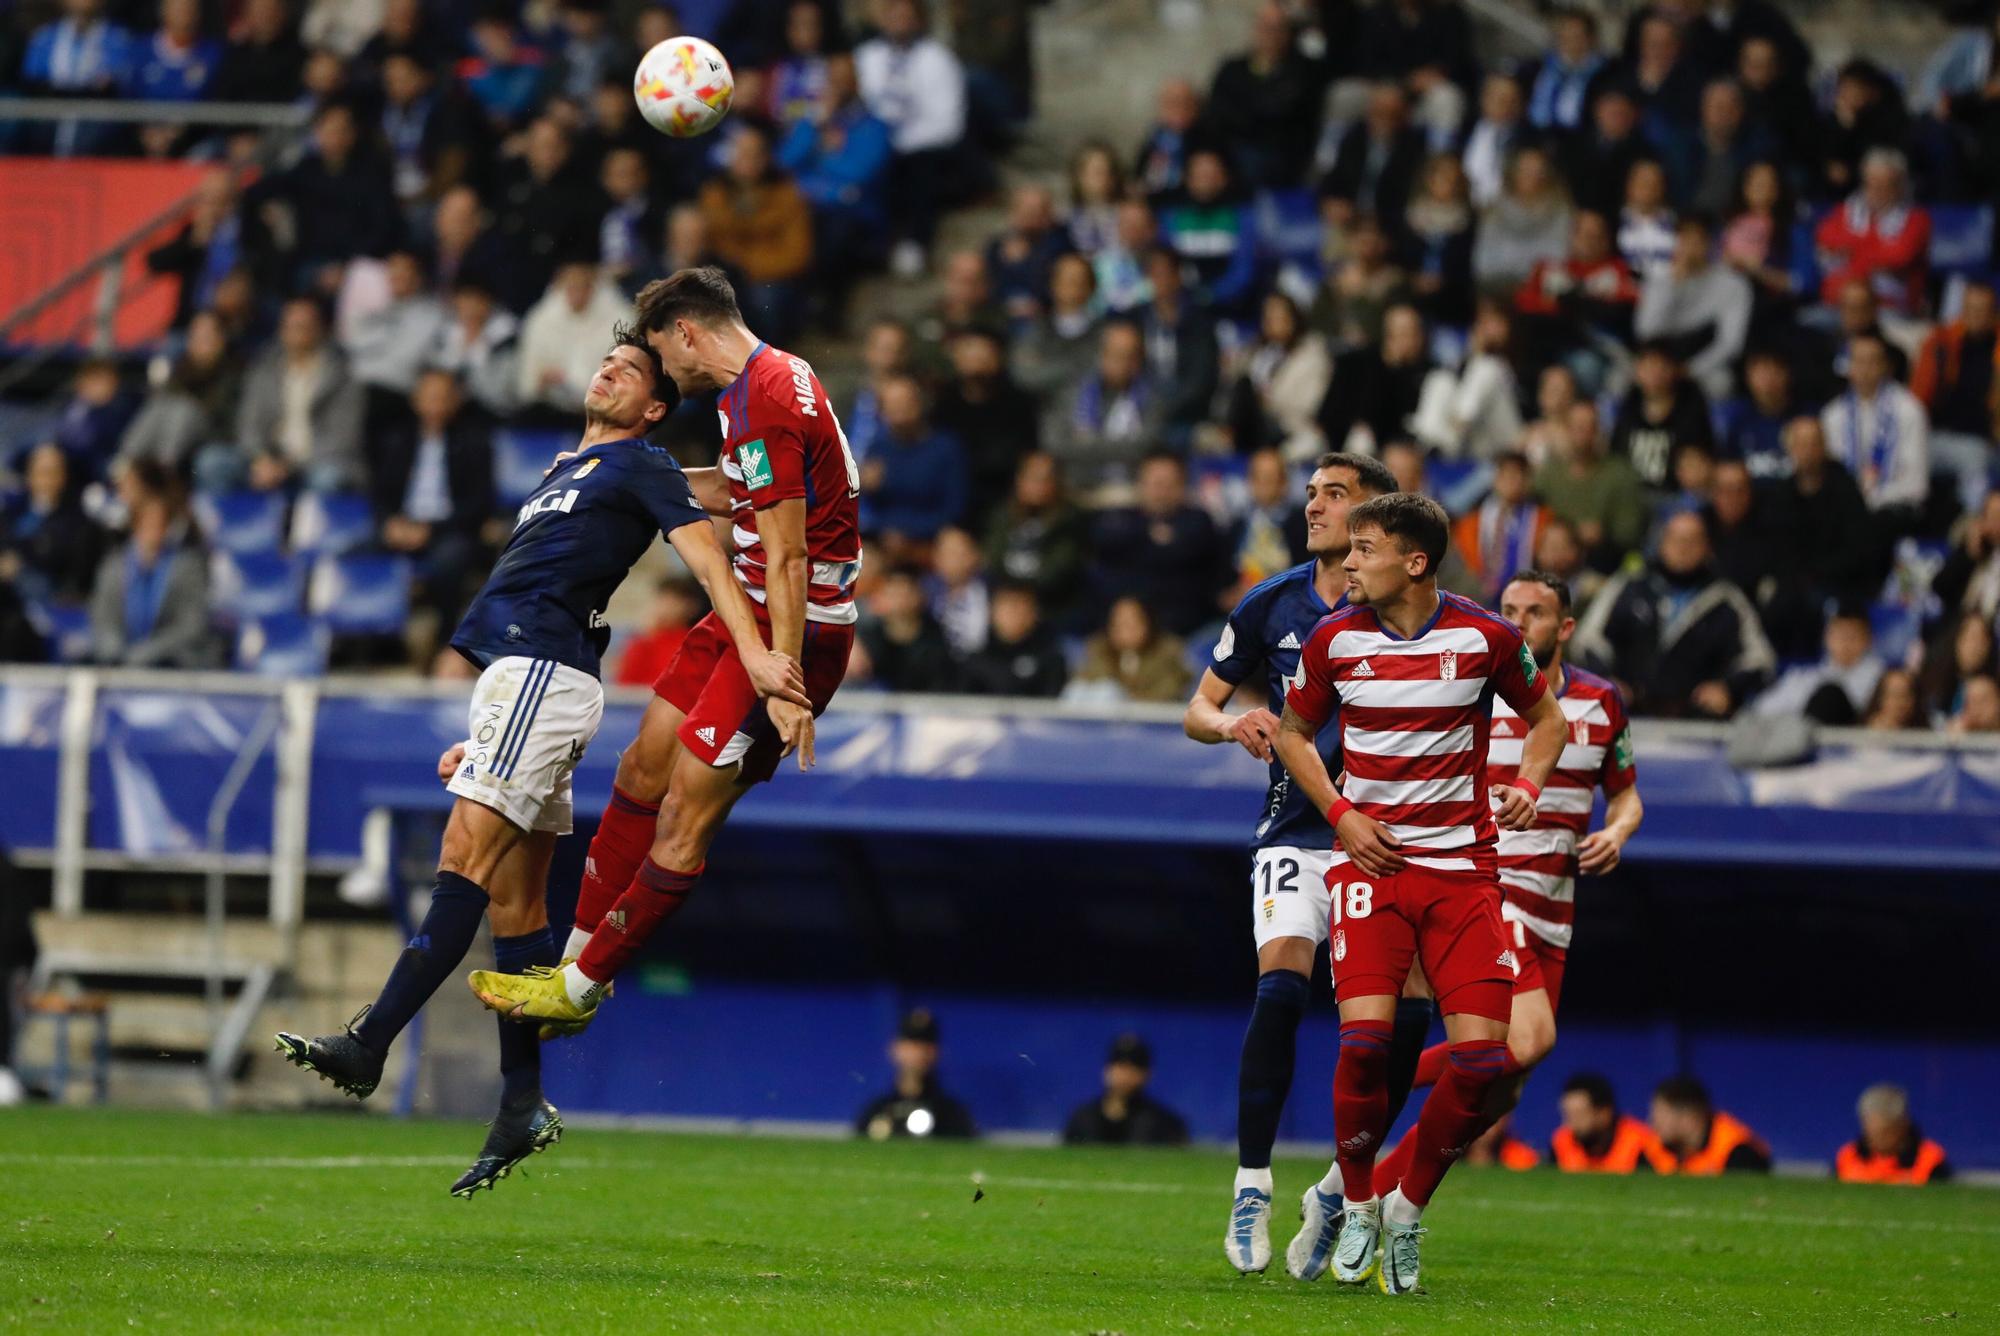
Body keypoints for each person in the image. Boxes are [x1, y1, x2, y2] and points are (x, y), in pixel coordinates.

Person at [278, 325, 808, 1195]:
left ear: (653, 408)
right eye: (608, 361)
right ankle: (522, 1099)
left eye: (632, 370)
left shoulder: (640, 463)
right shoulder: (568, 469)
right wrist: (495, 741)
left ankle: (369, 1042)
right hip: (522, 690)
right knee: (517, 900)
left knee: (462, 863)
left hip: (540, 674)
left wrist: (757, 654)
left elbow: (709, 558)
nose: (610, 371)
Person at [467, 268, 855, 1038]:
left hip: (796, 622)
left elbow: (787, 556)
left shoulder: (768, 399)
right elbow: (739, 497)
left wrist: (778, 676)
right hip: (747, 607)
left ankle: (582, 986)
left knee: (686, 806)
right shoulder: (764, 383)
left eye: (662, 356)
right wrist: (622, 476)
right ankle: (577, 961)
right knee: (642, 767)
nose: (667, 376)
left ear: (686, 332)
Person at [1274, 493, 1566, 1295]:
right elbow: (1292, 733)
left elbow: (1548, 721)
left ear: (1414, 562)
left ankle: (1405, 1212)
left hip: (1464, 874)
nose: (1348, 560)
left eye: (1363, 548)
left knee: (1481, 1062)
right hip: (1371, 870)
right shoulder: (1335, 639)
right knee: (1365, 1046)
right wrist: (1341, 812)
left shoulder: (1484, 637)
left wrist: (1530, 785)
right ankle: (1356, 1202)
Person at [1185, 453, 1430, 1276]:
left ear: (1375, 520)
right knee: (1281, 990)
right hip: (1298, 830)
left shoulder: (1409, 614)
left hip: (1393, 842)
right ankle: (1252, 1182)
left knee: (1398, 1029)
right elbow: (1198, 708)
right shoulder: (1273, 602)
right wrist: (1231, 726)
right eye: (1312, 494)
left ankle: (1335, 1190)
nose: (1314, 506)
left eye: (1335, 495)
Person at [1370, 570, 1645, 1193]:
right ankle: (1372, 1074)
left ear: (1565, 628)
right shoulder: (1469, 690)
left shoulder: (1601, 703)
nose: (1518, 621)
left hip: (1555, 907)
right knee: (1529, 1037)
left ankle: (1368, 1190)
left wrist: (1617, 832)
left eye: (1535, 612)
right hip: (1487, 887)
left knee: (1500, 1085)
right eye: (1509, 609)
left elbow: (1627, 798)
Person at [1572, 511, 1776, 717]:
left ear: (1707, 547)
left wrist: (1728, 688)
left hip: (1700, 724)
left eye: (1692, 540)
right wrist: (1606, 680)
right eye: (1675, 538)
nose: (1683, 547)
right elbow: (1587, 641)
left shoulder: (1726, 599)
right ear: (1661, 543)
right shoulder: (1628, 586)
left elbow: (1760, 659)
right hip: (1627, 718)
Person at [367, 370, 496, 629]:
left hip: (448, 530)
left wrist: (431, 529)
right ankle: (371, 644)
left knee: (451, 559)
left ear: (456, 401)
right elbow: (379, 494)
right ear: (416, 400)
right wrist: (390, 523)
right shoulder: (398, 439)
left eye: (442, 398)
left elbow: (479, 503)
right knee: (355, 556)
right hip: (404, 526)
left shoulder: (473, 441)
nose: (435, 405)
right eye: (430, 398)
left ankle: (443, 636)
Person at [228, 296, 367, 494]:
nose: (296, 331)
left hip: (319, 461)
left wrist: (289, 467)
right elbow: (249, 424)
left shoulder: (342, 375)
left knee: (326, 478)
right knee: (214, 463)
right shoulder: (263, 369)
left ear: (320, 329)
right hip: (269, 459)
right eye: (290, 325)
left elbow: (342, 438)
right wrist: (261, 459)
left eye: (303, 326)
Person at [89, 461, 216, 669]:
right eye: (146, 522)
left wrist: (150, 652)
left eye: (159, 523)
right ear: (135, 524)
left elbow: (192, 625)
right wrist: (114, 648)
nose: (152, 530)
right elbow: (102, 616)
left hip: (172, 665)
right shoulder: (114, 567)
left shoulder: (187, 567)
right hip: (120, 663)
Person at [700, 123, 814, 344]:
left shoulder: (788, 195)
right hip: (723, 273)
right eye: (742, 154)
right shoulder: (715, 193)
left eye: (755, 154)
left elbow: (798, 254)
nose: (749, 161)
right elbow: (712, 237)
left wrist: (749, 265)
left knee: (765, 300)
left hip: (768, 278)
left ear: (767, 158)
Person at [1820, 331, 1930, 543]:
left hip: (1894, 507)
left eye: (1872, 362)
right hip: (1846, 506)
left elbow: (1917, 484)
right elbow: (1832, 474)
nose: (1864, 370)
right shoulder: (1833, 414)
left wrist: (1871, 498)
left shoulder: (1909, 410)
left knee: (1868, 527)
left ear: (1885, 367)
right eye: (1858, 361)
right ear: (1848, 366)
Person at [1635, 214, 1753, 404]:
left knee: (1721, 383)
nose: (1690, 246)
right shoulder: (1660, 280)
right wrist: (1673, 285)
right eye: (1684, 238)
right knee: (1619, 381)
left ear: (1710, 243)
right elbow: (1645, 331)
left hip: (1702, 357)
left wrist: (1690, 370)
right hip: (1660, 359)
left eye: (1697, 239)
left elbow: (1731, 343)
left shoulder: (1733, 283)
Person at [1911, 279, 2000, 517]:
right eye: (1971, 309)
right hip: (1936, 436)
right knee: (1906, 453)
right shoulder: (1942, 343)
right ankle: (1908, 514)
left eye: (1984, 310)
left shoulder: (1997, 348)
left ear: (1994, 313)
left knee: (1975, 458)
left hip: (1982, 443)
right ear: (1962, 311)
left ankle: (1970, 526)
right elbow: (1918, 398)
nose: (1977, 316)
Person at [857, 374, 968, 552]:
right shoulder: (877, 448)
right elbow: (868, 511)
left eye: (905, 401)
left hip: (932, 541)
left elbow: (954, 509)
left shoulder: (945, 448)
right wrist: (865, 488)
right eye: (892, 404)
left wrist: (908, 532)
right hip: (883, 541)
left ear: (920, 403)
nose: (899, 409)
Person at [1534, 400, 1651, 568]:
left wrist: (1604, 534)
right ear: (1565, 430)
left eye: (1589, 426)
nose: (1582, 433)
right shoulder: (1548, 473)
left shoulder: (1620, 474)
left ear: (1598, 432)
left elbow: (1630, 531)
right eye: (1576, 426)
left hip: (1602, 563)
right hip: (1550, 563)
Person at [1814, 148, 1931, 316]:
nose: (1875, 189)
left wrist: (1852, 252)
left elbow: (1899, 257)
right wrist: (1875, 252)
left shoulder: (1917, 220)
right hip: (1836, 305)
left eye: (1884, 184)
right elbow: (1824, 241)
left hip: (1888, 308)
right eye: (1871, 182)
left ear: (1900, 187)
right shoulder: (1844, 211)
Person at [514, 260, 632, 418]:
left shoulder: (621, 319)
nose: (577, 293)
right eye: (571, 287)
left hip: (604, 412)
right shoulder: (540, 320)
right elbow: (527, 383)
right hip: (550, 412)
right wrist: (541, 381)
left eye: (583, 286)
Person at [984, 452, 1087, 620]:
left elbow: (1056, 574)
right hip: (1008, 609)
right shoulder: (1002, 516)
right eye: (1032, 478)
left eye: (1044, 479)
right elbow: (994, 561)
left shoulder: (1070, 520)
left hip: (1055, 612)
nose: (1037, 485)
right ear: (1019, 481)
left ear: (1056, 483)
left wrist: (1022, 594)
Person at [0, 445, 104, 607]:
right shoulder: (14, 510)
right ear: (29, 475)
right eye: (42, 473)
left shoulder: (75, 517)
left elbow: (56, 554)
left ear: (64, 477)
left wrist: (20, 561)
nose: (48, 480)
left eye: (54, 473)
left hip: (49, 590)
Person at [855, 1008, 976, 1139]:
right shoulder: (876, 1110)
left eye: (925, 1045)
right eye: (912, 1044)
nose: (919, 1053)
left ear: (936, 1052)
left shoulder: (952, 1114)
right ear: (895, 1049)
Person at [1750, 612, 1883, 725]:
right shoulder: (1803, 676)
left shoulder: (1881, 678)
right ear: (1827, 638)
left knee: (1829, 697)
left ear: (1868, 640)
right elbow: (1762, 709)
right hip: (1797, 740)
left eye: (1852, 636)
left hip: (1851, 742)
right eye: (1839, 635)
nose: (1845, 643)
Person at [1062, 1034, 1190, 1147]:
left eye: (1133, 1067)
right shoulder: (1082, 1118)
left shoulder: (1165, 1124)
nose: (1125, 1074)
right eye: (1120, 1065)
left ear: (1147, 1074)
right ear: (1107, 1069)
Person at [1450, 453, 1546, 601]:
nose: (1511, 481)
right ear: (1496, 479)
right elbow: (1466, 563)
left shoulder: (1541, 519)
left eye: (1517, 476)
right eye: (1506, 475)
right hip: (1479, 594)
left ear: (1527, 481)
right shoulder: (1471, 523)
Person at [855, 565, 955, 692]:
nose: (899, 601)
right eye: (892, 594)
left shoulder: (937, 639)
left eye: (904, 594)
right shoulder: (867, 640)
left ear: (919, 597)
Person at [958, 582, 1066, 697]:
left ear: (1035, 613)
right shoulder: (974, 660)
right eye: (1007, 605)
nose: (1014, 612)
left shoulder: (1050, 659)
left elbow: (1053, 705)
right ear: (991, 612)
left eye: (1022, 605)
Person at [1549, 1072, 1672, 1172]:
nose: (1569, 1124)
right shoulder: (1561, 1141)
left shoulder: (1641, 1142)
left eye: (1579, 1115)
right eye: (1567, 1115)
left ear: (1604, 1114)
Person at [1075, 596, 1188, 704]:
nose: (1124, 630)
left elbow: (1170, 691)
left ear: (1147, 623)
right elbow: (1086, 680)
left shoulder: (1168, 652)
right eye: (1118, 623)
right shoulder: (1098, 649)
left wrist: (1127, 700)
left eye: (1131, 623)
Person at [1649, 1075, 1772, 1174]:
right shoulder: (1656, 1146)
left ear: (1689, 1118)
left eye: (1661, 1117)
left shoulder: (1738, 1151)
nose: (1653, 1124)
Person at [1836, 1083, 1952, 1185]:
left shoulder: (1930, 1159)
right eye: (1870, 1131)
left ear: (1902, 1126)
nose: (1875, 1139)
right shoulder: (1847, 1157)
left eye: (1884, 1132)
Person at [613, 577, 707, 689]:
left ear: (691, 607)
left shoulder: (697, 642)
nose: (665, 606)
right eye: (662, 599)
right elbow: (624, 683)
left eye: (673, 601)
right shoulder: (645, 639)